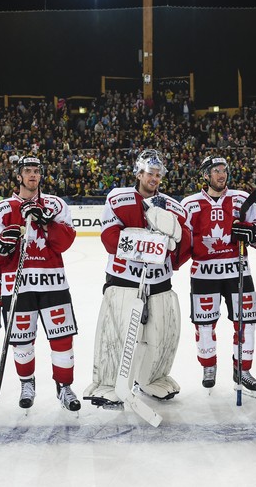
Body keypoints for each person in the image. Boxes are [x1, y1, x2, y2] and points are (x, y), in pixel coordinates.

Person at [83, 149, 192, 406]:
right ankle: (108, 383)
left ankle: (153, 378)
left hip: (160, 283)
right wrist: (154, 243)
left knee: (161, 333)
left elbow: (185, 246)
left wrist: (177, 239)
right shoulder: (118, 198)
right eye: (150, 173)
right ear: (139, 173)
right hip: (124, 281)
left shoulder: (172, 205)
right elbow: (110, 239)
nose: (154, 178)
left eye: (158, 175)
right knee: (117, 333)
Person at [0, 156, 81, 412]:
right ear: (19, 176)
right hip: (17, 285)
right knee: (21, 340)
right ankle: (27, 383)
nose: (32, 174)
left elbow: (66, 242)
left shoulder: (56, 205)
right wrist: (2, 244)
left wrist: (47, 221)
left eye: (37, 170)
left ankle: (64, 387)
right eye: (27, 170)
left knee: (62, 339)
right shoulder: (2, 209)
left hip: (53, 283)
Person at [181, 156, 256, 397]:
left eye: (224, 170)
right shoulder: (190, 204)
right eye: (216, 171)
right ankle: (209, 366)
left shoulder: (241, 199)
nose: (221, 175)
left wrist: (249, 232)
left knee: (246, 322)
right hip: (204, 273)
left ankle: (243, 370)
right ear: (206, 175)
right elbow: (183, 241)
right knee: (204, 324)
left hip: (237, 270)